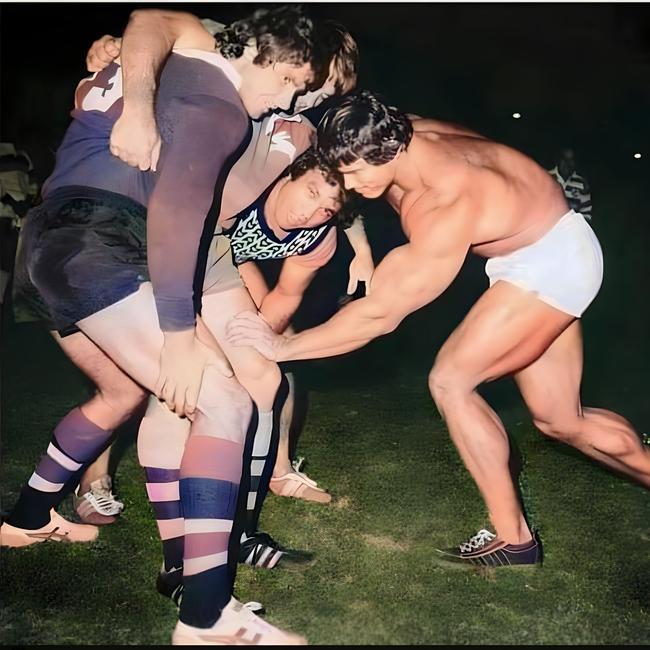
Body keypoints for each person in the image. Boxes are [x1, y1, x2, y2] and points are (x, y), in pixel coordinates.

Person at [1, 6, 329, 645]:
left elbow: (149, 22)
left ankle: (25, 519)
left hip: (46, 239)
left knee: (124, 394)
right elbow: (177, 213)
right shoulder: (219, 101)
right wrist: (180, 336)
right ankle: (206, 617)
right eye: (290, 80)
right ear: (259, 50)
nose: (286, 98)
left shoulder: (168, 61)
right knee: (226, 402)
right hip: (99, 241)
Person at [227, 90, 650, 568]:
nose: (345, 184)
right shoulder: (394, 131)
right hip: (550, 243)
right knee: (560, 420)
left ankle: (515, 541)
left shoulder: (445, 202)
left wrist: (283, 346)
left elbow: (378, 315)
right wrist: (361, 247)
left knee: (452, 381)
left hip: (549, 264)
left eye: (354, 173)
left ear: (385, 153)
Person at [78, 15, 366, 526]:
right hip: (149, 227)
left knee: (255, 374)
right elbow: (153, 25)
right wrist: (119, 58)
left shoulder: (301, 134)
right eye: (306, 86)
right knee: (143, 380)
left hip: (214, 250)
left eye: (320, 97)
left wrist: (360, 245)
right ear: (290, 61)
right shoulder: (235, 59)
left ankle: (240, 519)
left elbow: (342, 184)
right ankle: (97, 481)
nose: (304, 102)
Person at [548, 147, 592, 220]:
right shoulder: (547, 178)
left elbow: (586, 214)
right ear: (558, 160)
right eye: (564, 159)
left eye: (571, 160)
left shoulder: (582, 183)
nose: (567, 163)